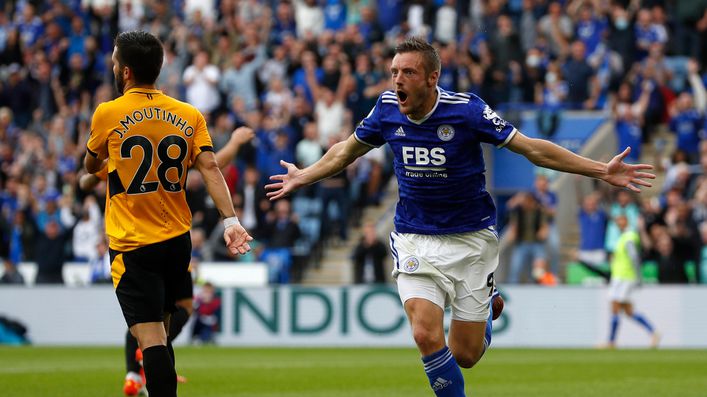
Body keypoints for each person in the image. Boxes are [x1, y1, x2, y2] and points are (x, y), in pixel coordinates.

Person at [265, 37, 655, 396]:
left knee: (465, 355)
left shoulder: (466, 111)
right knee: (424, 333)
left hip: (471, 240)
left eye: (408, 72)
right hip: (414, 236)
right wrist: (305, 174)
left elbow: (533, 149)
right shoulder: (386, 109)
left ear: (432, 77)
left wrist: (601, 170)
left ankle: (486, 306)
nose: (397, 80)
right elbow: (345, 151)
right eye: (394, 72)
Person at [83, 31, 252, 397]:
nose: (113, 65)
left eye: (114, 61)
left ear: (125, 72)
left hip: (133, 242)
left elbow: (91, 161)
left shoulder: (108, 113)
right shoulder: (188, 114)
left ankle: (136, 376)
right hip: (177, 241)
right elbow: (209, 167)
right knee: (165, 328)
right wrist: (231, 220)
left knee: (152, 338)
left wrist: (94, 165)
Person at [605, 215, 660, 349]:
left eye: (621, 219)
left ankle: (611, 342)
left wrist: (639, 277)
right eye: (617, 220)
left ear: (627, 221)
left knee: (615, 306)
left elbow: (634, 257)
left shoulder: (629, 236)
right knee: (628, 311)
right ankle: (654, 332)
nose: (618, 222)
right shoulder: (624, 236)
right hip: (621, 276)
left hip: (625, 277)